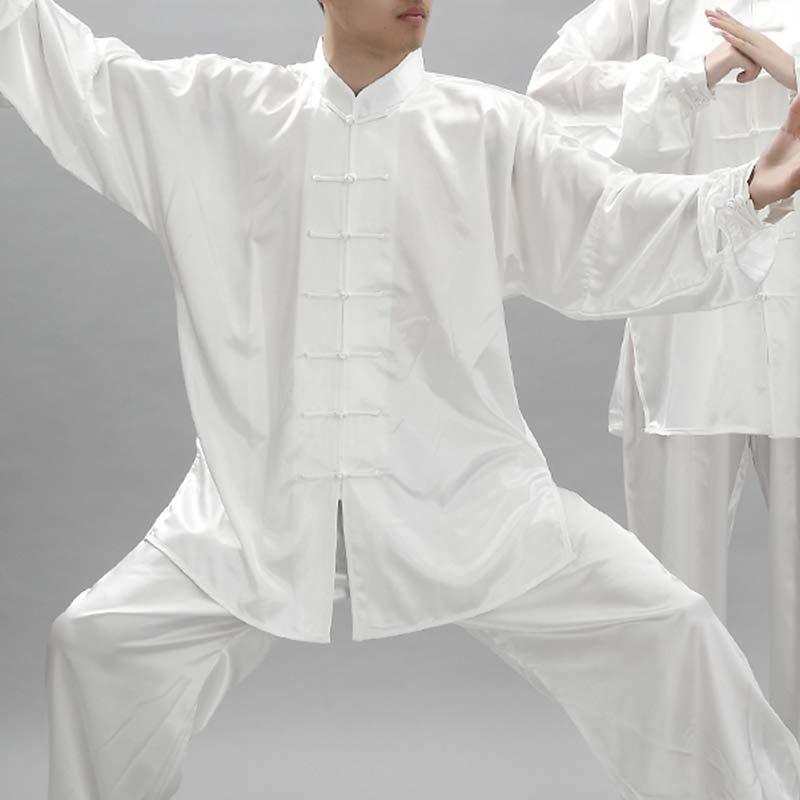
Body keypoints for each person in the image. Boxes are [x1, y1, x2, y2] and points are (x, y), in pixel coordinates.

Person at [3, 0, 800, 796]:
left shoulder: (486, 130)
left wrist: (747, 194)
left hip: (470, 499)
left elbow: (609, 218)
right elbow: (80, 74)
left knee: (674, 632)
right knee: (95, 645)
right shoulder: (218, 112)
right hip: (253, 509)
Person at [526, 0, 800, 737]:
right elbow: (552, 100)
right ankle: (689, 777)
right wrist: (695, 75)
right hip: (687, 333)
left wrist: (792, 69)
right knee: (675, 602)